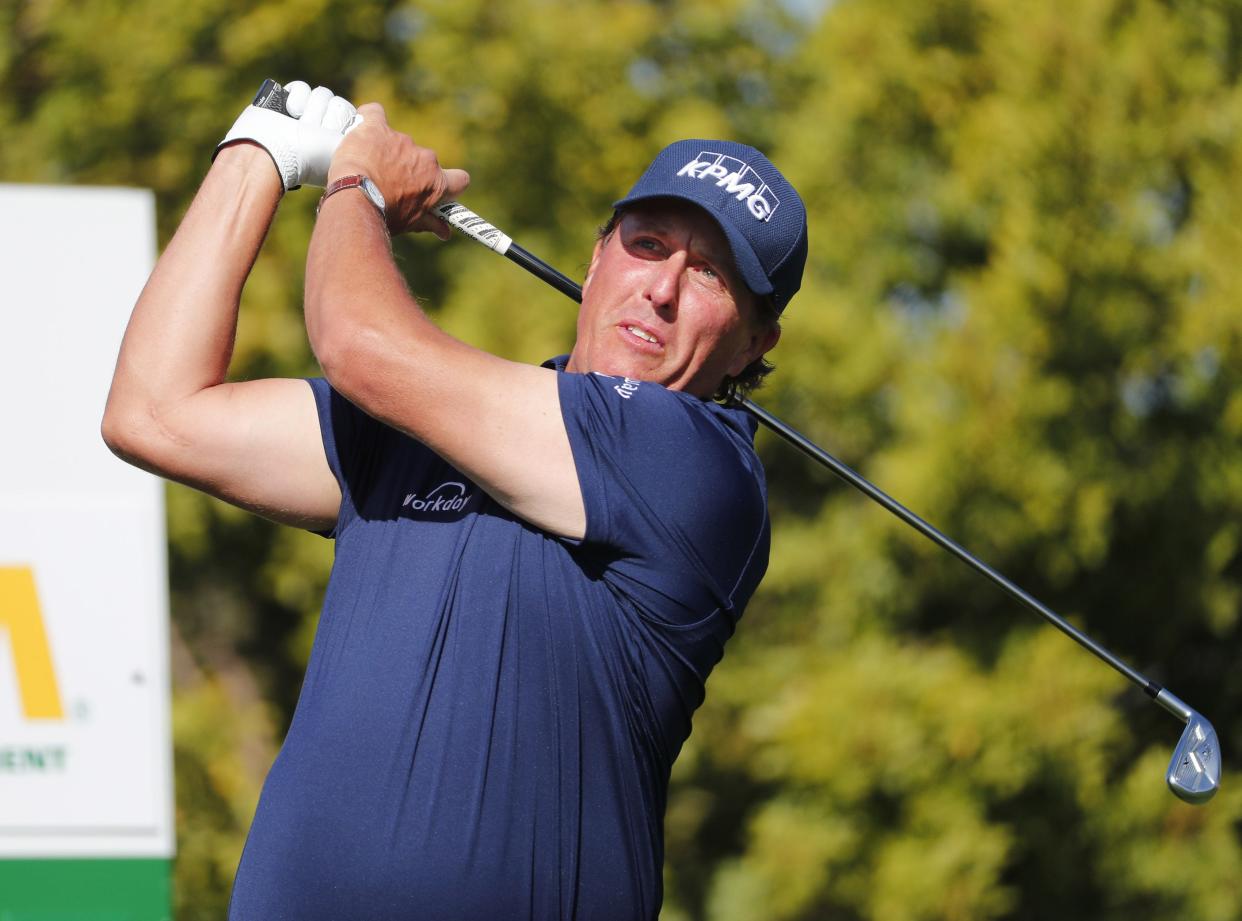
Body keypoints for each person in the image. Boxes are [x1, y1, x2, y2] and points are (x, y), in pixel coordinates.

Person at [102, 80, 808, 920]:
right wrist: (259, 149)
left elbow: (360, 344)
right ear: (595, 258)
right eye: (648, 244)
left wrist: (355, 186)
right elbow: (152, 412)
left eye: (711, 276)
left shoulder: (696, 465)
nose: (662, 288)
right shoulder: (424, 425)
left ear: (756, 342)